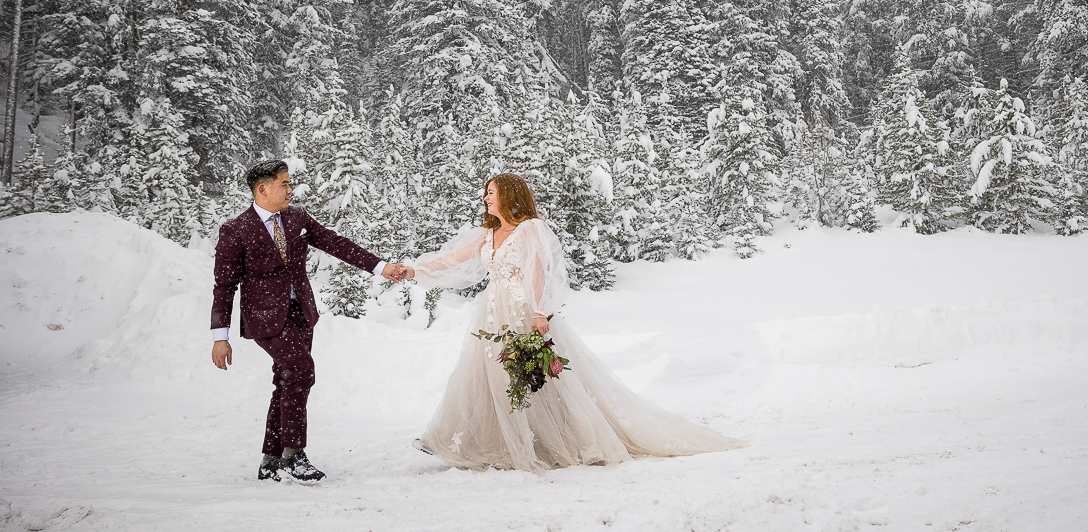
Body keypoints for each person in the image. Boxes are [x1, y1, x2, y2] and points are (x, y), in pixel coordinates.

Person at [403, 172, 743, 471]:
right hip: (492, 311)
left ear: (509, 195)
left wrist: (539, 312)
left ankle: (551, 441)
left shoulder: (529, 229)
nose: (486, 197)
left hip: (522, 309)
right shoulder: (487, 235)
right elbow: (452, 258)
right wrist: (414, 270)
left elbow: (539, 271)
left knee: (533, 375)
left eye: (491, 192)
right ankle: (480, 442)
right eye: (486, 192)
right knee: (486, 374)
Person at [210, 159, 412, 483]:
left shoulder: (298, 218)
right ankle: (294, 454)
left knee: (287, 378)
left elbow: (336, 243)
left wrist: (381, 266)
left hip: (300, 314)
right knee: (301, 370)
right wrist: (220, 336)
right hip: (264, 319)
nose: (291, 189)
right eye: (284, 184)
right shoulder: (236, 230)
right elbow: (224, 286)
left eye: (291, 183)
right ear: (263, 189)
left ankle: (271, 460)